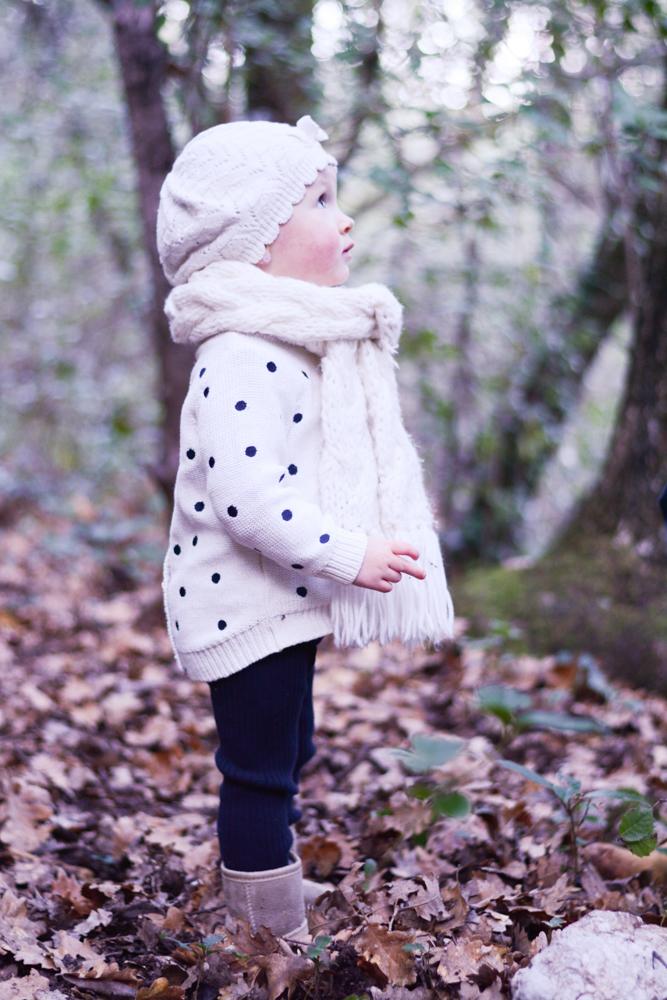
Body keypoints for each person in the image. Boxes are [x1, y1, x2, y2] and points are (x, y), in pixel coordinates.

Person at [155, 114, 455, 943]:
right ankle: (264, 925)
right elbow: (249, 500)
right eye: (319, 201)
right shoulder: (241, 353)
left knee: (290, 752)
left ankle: (267, 883)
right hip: (242, 605)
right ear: (252, 246)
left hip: (276, 603)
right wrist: (349, 552)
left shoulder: (289, 342)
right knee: (257, 774)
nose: (344, 217)